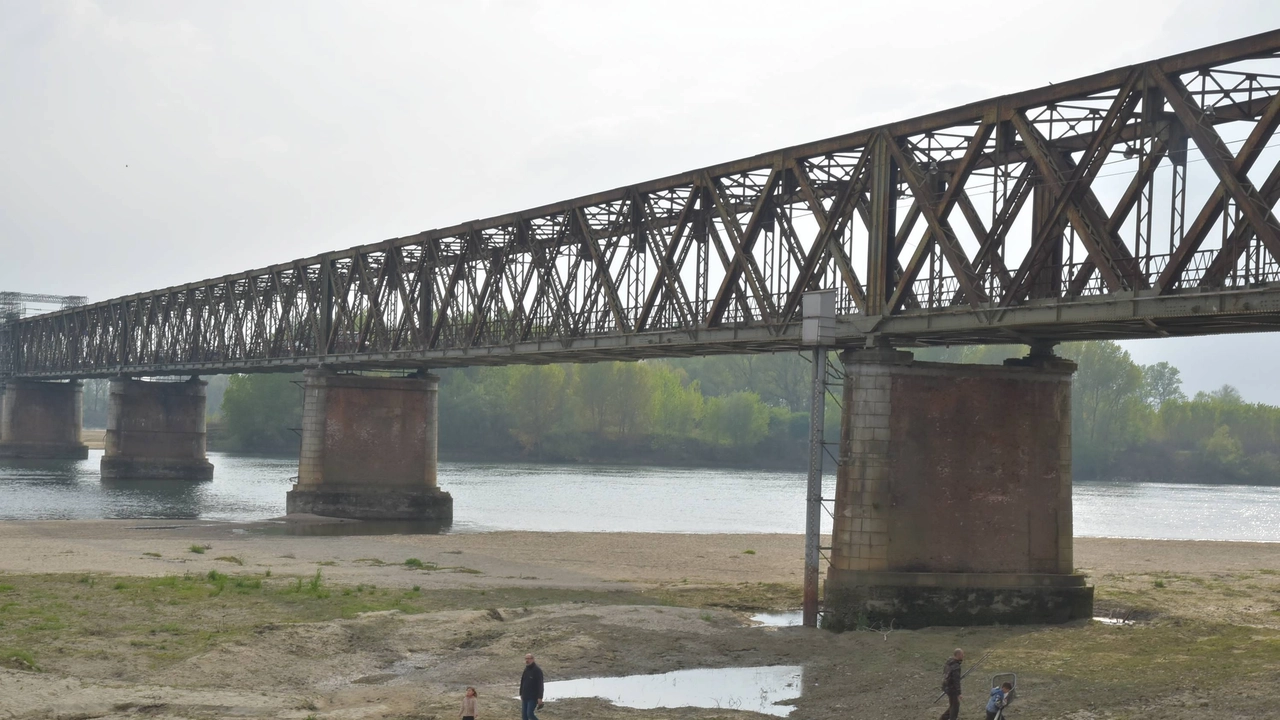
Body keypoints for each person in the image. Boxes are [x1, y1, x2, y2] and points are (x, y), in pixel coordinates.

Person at [938, 648, 964, 720]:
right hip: (952, 688)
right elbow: (956, 681)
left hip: (946, 686)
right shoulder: (956, 666)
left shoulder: (949, 662)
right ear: (958, 655)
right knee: (955, 706)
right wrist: (959, 693)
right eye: (962, 654)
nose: (963, 656)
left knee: (953, 704)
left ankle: (943, 718)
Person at [520, 653, 544, 720]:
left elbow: (540, 685)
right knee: (524, 716)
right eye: (526, 659)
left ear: (533, 659)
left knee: (529, 713)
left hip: (533, 697)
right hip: (525, 696)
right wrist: (521, 693)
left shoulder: (537, 670)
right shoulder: (526, 670)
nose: (527, 660)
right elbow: (523, 682)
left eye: (528, 659)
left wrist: (540, 697)